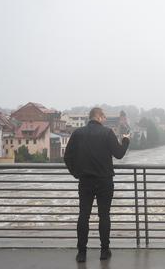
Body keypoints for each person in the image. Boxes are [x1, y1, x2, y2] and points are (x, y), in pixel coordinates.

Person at [64, 107, 130, 263]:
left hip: (85, 180)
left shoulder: (77, 133)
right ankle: (104, 251)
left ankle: (81, 253)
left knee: (83, 216)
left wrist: (76, 173)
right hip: (104, 181)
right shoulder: (107, 133)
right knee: (104, 216)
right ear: (99, 117)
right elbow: (119, 154)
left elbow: (67, 157)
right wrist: (126, 140)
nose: (106, 119)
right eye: (104, 116)